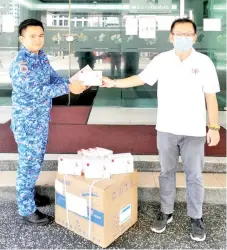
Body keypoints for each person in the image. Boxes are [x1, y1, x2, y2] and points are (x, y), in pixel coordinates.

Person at [102, 18, 220, 242]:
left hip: (194, 130)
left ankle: (196, 217)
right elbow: (141, 78)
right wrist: (115, 83)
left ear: (195, 37)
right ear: (171, 36)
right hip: (166, 128)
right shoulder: (162, 60)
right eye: (179, 34)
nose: (183, 38)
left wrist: (213, 127)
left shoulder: (204, 62)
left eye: (188, 34)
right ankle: (166, 212)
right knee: (166, 172)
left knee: (194, 175)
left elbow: (211, 97)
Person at [9, 19, 87, 226]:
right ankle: (26, 209)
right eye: (32, 36)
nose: (37, 40)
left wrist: (71, 82)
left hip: (40, 119)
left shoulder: (40, 57)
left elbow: (52, 79)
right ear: (22, 39)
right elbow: (37, 92)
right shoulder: (21, 65)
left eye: (40, 35)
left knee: (35, 161)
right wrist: (68, 89)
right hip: (27, 122)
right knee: (28, 164)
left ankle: (29, 195)